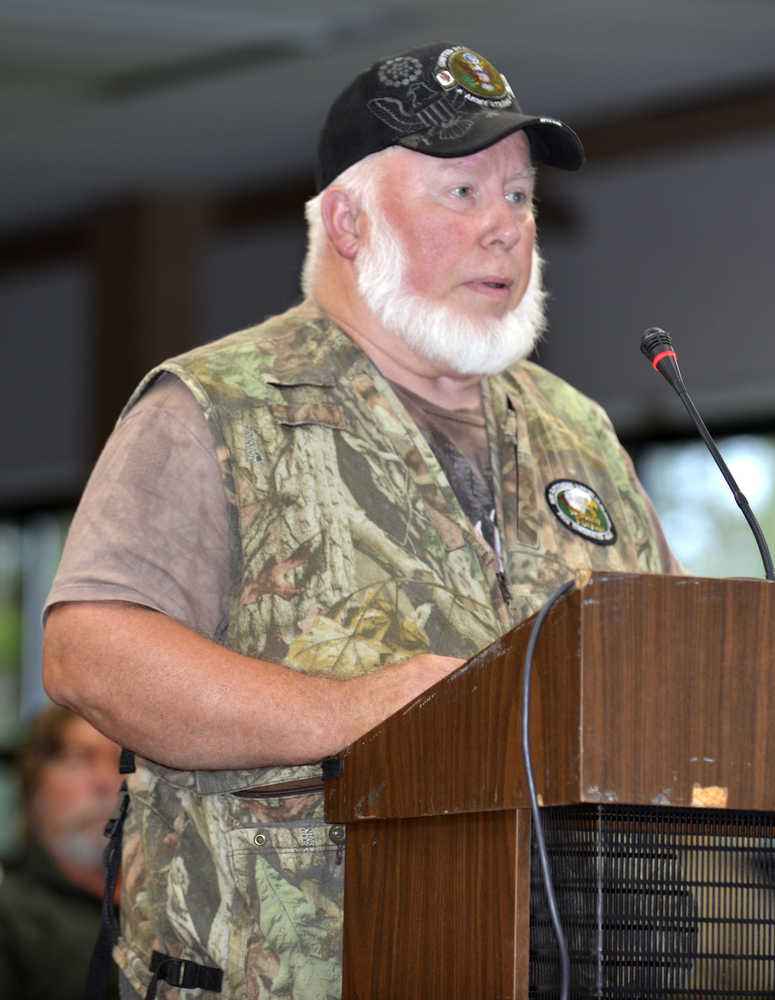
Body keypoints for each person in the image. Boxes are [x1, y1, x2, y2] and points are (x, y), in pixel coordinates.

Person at [42, 42, 681, 999]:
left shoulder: (577, 431)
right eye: (461, 195)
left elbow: (665, 666)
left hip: (548, 963)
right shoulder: (218, 406)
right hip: (282, 971)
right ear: (347, 221)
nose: (506, 230)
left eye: (518, 197)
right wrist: (354, 712)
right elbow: (91, 653)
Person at [0, 704, 122, 1000]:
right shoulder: (10, 921)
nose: (106, 782)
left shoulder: (174, 913)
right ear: (34, 785)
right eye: (79, 760)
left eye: (123, 763)